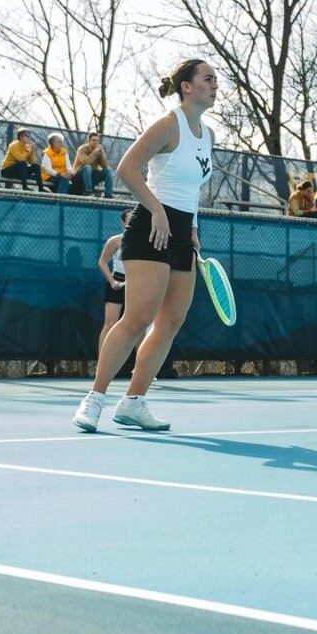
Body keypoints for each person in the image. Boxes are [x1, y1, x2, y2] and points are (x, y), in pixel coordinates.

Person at [73, 58, 218, 433]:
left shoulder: (208, 134)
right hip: (152, 227)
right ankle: (94, 400)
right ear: (187, 86)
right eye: (207, 79)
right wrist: (156, 210)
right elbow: (126, 168)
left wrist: (194, 228)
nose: (215, 85)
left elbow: (192, 190)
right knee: (136, 319)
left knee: (170, 322)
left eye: (215, 80)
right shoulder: (169, 124)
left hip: (183, 231)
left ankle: (134, 402)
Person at [97, 208, 133, 358]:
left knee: (138, 326)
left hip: (137, 284)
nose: (133, 223)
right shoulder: (115, 241)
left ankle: (139, 368)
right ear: (123, 223)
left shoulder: (145, 242)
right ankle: (102, 363)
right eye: (130, 220)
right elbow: (102, 262)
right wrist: (112, 282)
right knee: (110, 324)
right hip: (117, 282)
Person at [70, 131, 115, 197]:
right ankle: (88, 192)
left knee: (108, 170)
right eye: (93, 140)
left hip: (91, 176)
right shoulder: (82, 149)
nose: (95, 142)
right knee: (88, 167)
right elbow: (85, 162)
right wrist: (94, 154)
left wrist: (101, 154)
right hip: (78, 175)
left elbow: (105, 165)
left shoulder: (99, 149)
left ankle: (108, 194)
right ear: (89, 140)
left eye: (97, 140)